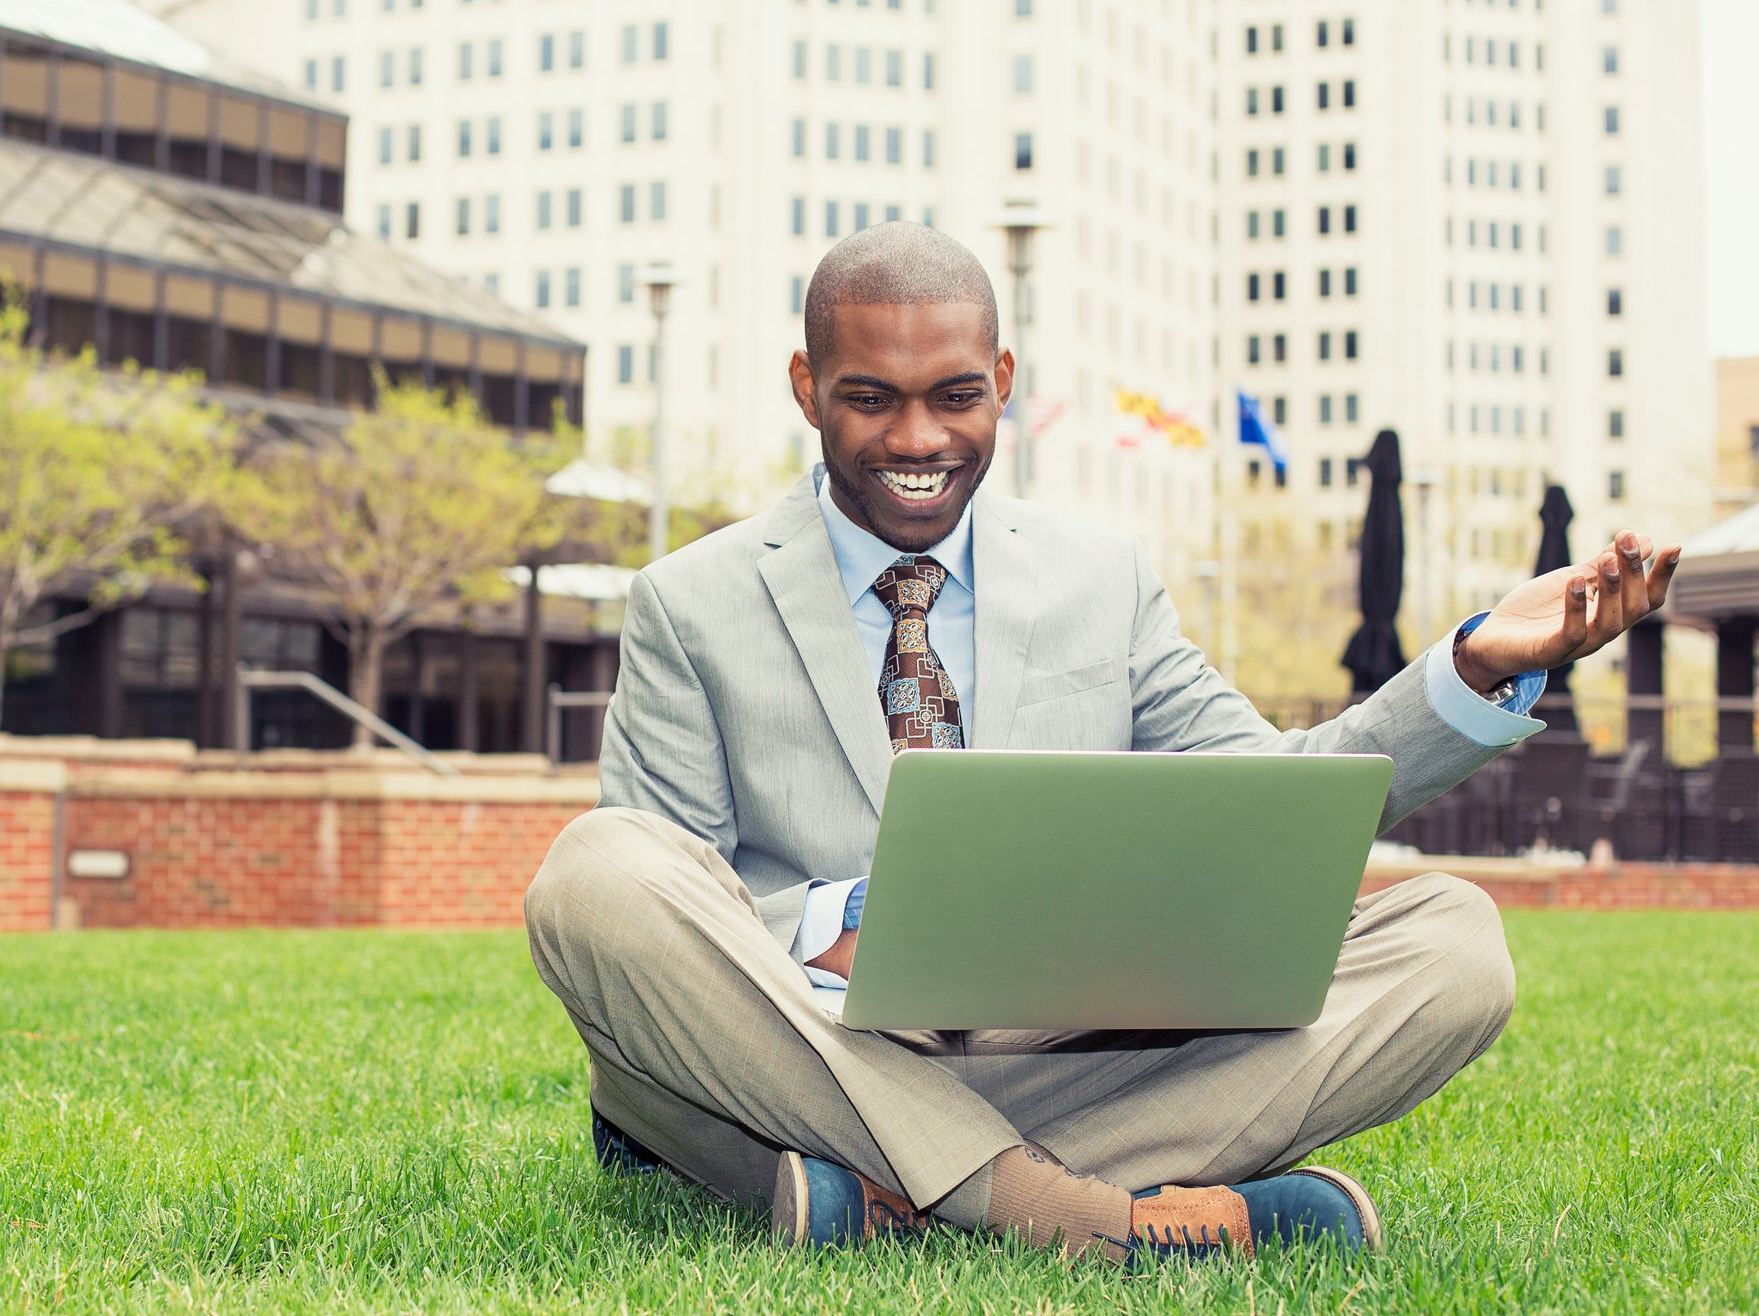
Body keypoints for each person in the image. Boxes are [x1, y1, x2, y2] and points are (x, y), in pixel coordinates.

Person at [525, 223, 1678, 1265]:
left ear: (1005, 385)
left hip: (1070, 1046)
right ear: (806, 386)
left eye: (955, 396)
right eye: (870, 398)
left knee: (1454, 941)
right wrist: (845, 926)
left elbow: (1283, 799)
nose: (916, 438)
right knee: (595, 872)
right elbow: (672, 898)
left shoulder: (1103, 577)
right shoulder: (687, 600)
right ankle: (1092, 1211)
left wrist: (1472, 668)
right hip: (801, 1046)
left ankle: (888, 1192)